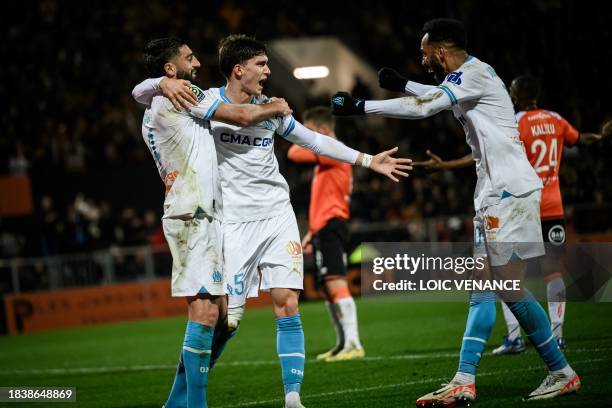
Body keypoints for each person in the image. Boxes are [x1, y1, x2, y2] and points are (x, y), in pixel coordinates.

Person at [133, 34, 412, 408]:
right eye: (261, 65)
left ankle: (293, 398)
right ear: (238, 69)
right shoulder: (206, 103)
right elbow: (147, 94)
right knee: (224, 322)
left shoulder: (271, 110)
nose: (268, 72)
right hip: (229, 221)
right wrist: (160, 81)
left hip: (277, 214)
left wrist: (366, 159)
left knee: (287, 301)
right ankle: (183, 395)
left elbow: (314, 141)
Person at [331, 18, 580, 405]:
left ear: (441, 52)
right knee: (485, 288)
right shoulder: (471, 77)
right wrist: (404, 84)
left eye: (425, 52)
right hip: (494, 193)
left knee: (506, 288)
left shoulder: (475, 73)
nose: (422, 58)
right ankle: (466, 380)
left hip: (509, 193)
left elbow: (427, 107)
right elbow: (440, 94)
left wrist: (361, 107)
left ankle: (559, 371)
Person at [135, 37, 292, 408]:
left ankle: (176, 402)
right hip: (194, 213)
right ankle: (193, 405)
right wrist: (274, 107)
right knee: (205, 311)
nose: (198, 64)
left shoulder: (160, 97)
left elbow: (141, 89)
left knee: (222, 317)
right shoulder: (181, 94)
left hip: (202, 213)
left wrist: (156, 83)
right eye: (189, 59)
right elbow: (239, 115)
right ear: (170, 69)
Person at [410, 75, 612, 355]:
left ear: (516, 96)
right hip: (553, 205)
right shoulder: (555, 119)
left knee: (507, 275)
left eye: (512, 92)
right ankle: (558, 335)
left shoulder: (514, 121)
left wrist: (445, 166)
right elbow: (581, 140)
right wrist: (602, 136)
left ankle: (515, 338)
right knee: (552, 270)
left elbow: (485, 155)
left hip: (521, 204)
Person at [287, 106, 365, 362]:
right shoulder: (330, 154)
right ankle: (343, 343)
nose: (305, 137)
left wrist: (304, 137)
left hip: (333, 225)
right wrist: (312, 232)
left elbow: (294, 152)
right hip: (324, 226)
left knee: (335, 282)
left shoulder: (331, 148)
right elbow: (324, 199)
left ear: (321, 131)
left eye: (309, 132)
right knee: (327, 287)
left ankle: (354, 344)